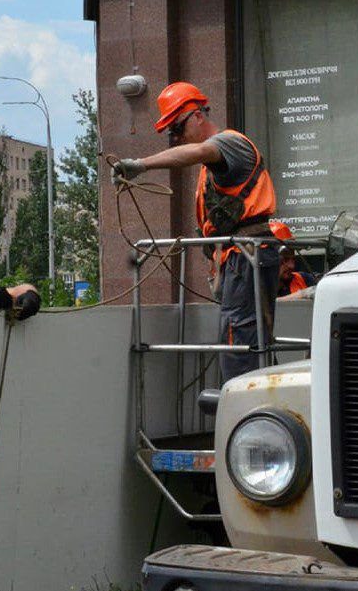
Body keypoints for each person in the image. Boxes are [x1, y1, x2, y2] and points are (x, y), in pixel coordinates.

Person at [111, 82, 279, 382]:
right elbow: (216, 219)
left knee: (238, 339)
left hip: (249, 255)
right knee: (246, 337)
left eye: (177, 128)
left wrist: (140, 165)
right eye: (171, 134)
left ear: (198, 115)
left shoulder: (230, 143)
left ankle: (246, 414)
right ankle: (258, 409)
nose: (176, 138)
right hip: (238, 257)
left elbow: (198, 150)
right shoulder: (209, 171)